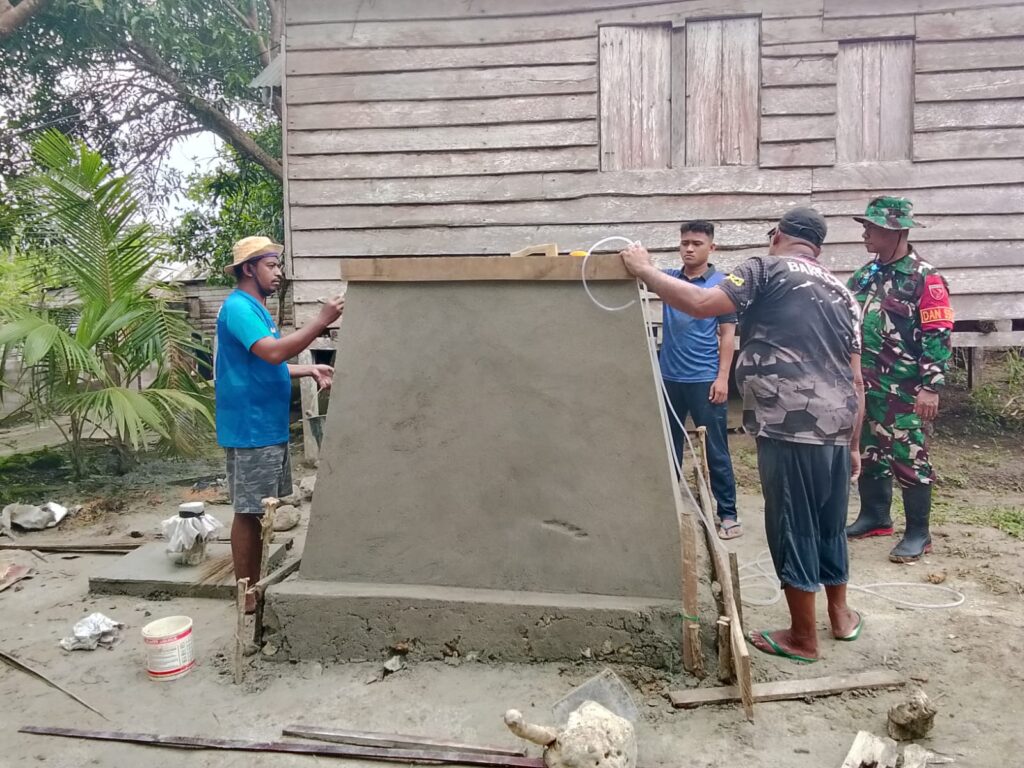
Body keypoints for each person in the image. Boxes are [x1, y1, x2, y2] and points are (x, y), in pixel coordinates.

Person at [620, 207, 865, 663]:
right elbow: (857, 379)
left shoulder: (764, 269)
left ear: (779, 236)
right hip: (838, 425)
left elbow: (698, 303)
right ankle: (840, 615)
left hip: (791, 423)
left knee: (792, 522)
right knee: (830, 524)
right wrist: (854, 445)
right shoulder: (843, 291)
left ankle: (802, 637)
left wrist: (644, 270)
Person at [215, 236, 343, 611]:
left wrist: (308, 368)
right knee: (249, 510)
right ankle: (247, 594)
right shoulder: (238, 307)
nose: (279, 273)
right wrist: (320, 321)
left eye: (279, 265)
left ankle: (252, 586)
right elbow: (271, 353)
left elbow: (264, 363)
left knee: (259, 508)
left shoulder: (256, 309)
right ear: (249, 268)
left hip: (264, 423)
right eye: (271, 265)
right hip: (250, 425)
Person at [844, 197, 953, 564]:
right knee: (872, 453)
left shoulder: (926, 277)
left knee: (909, 457)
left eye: (871, 228)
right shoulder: (866, 274)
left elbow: (938, 333)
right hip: (866, 386)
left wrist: (930, 386)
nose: (865, 234)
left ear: (895, 231)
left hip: (904, 390)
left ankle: (919, 534)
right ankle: (876, 517)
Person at [659, 220, 741, 539]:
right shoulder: (668, 279)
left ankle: (728, 514)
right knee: (669, 447)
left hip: (705, 379)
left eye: (696, 243)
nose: (689, 248)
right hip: (669, 378)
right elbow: (637, 272)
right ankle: (670, 507)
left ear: (712, 247)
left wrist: (723, 379)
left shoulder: (724, 284)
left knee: (715, 449)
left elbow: (727, 336)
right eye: (684, 243)